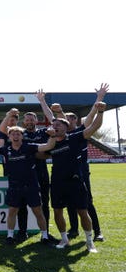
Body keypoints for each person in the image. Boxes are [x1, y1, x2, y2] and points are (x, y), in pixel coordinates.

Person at [0, 126, 57, 245]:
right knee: (12, 211)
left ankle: (45, 236)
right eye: (13, 134)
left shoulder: (29, 147)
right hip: (14, 186)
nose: (15, 136)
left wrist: (52, 136)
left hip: (31, 185)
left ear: (22, 136)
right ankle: (10, 237)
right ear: (9, 137)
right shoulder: (6, 149)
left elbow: (48, 146)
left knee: (38, 212)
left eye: (18, 134)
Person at [48, 101, 106, 253]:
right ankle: (64, 239)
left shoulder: (75, 137)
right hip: (57, 183)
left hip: (75, 181)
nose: (55, 127)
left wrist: (100, 112)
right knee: (57, 211)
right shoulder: (51, 143)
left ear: (66, 127)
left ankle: (89, 241)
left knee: (82, 211)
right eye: (54, 125)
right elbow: (39, 153)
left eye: (59, 125)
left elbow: (95, 126)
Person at [61, 83, 109, 242]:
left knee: (87, 203)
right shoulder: (60, 136)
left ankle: (97, 232)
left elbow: (91, 115)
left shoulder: (80, 131)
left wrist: (99, 98)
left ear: (75, 120)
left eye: (71, 117)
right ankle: (74, 230)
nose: (68, 120)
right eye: (66, 118)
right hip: (66, 174)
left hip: (81, 173)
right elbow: (53, 115)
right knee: (69, 203)